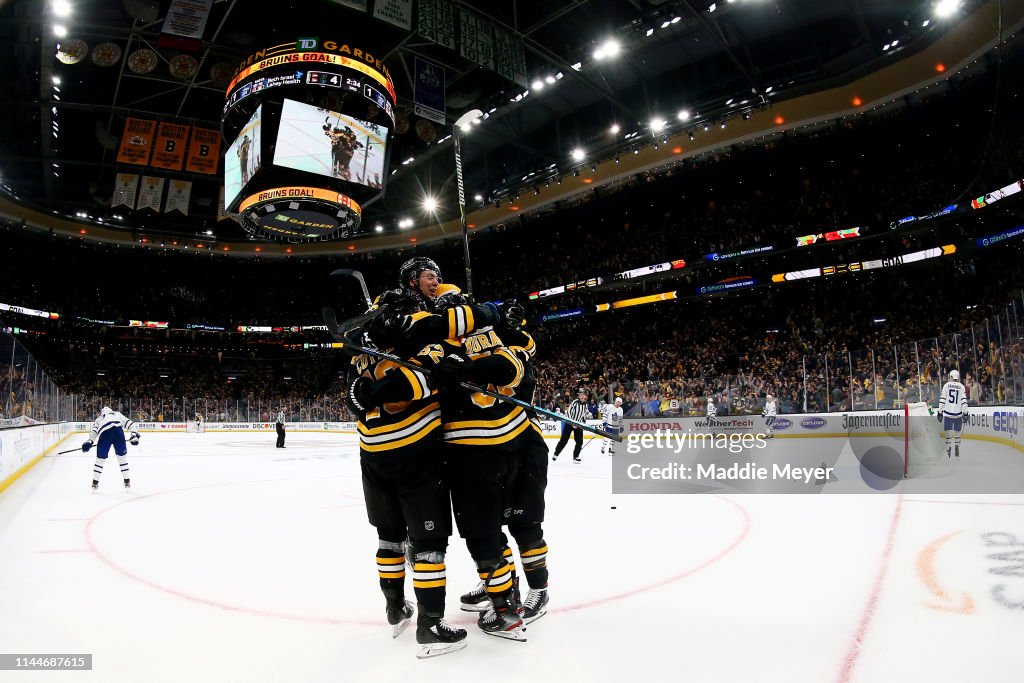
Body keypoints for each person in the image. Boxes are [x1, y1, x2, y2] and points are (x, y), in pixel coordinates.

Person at [82, 406, 139, 491]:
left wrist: (89, 442)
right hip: (118, 432)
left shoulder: (98, 419)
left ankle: (95, 483)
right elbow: (131, 424)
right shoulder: (117, 414)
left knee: (100, 459)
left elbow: (94, 432)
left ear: (102, 413)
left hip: (105, 434)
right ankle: (127, 481)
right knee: (122, 458)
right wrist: (134, 435)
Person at [552, 389, 590, 463]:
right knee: (564, 440)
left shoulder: (585, 404)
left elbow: (584, 415)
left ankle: (575, 457)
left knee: (579, 441)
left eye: (583, 395)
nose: (582, 396)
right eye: (581, 395)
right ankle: (556, 454)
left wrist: (583, 423)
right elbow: (569, 413)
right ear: (579, 396)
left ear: (585, 396)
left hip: (578, 424)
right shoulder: (575, 402)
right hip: (569, 423)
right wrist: (572, 423)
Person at [938, 369, 968, 457]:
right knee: (957, 432)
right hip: (958, 414)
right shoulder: (961, 386)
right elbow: (964, 401)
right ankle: (957, 447)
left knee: (948, 432)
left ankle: (948, 449)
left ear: (951, 377)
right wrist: (965, 413)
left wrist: (940, 411)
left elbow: (942, 399)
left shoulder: (946, 385)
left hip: (948, 413)